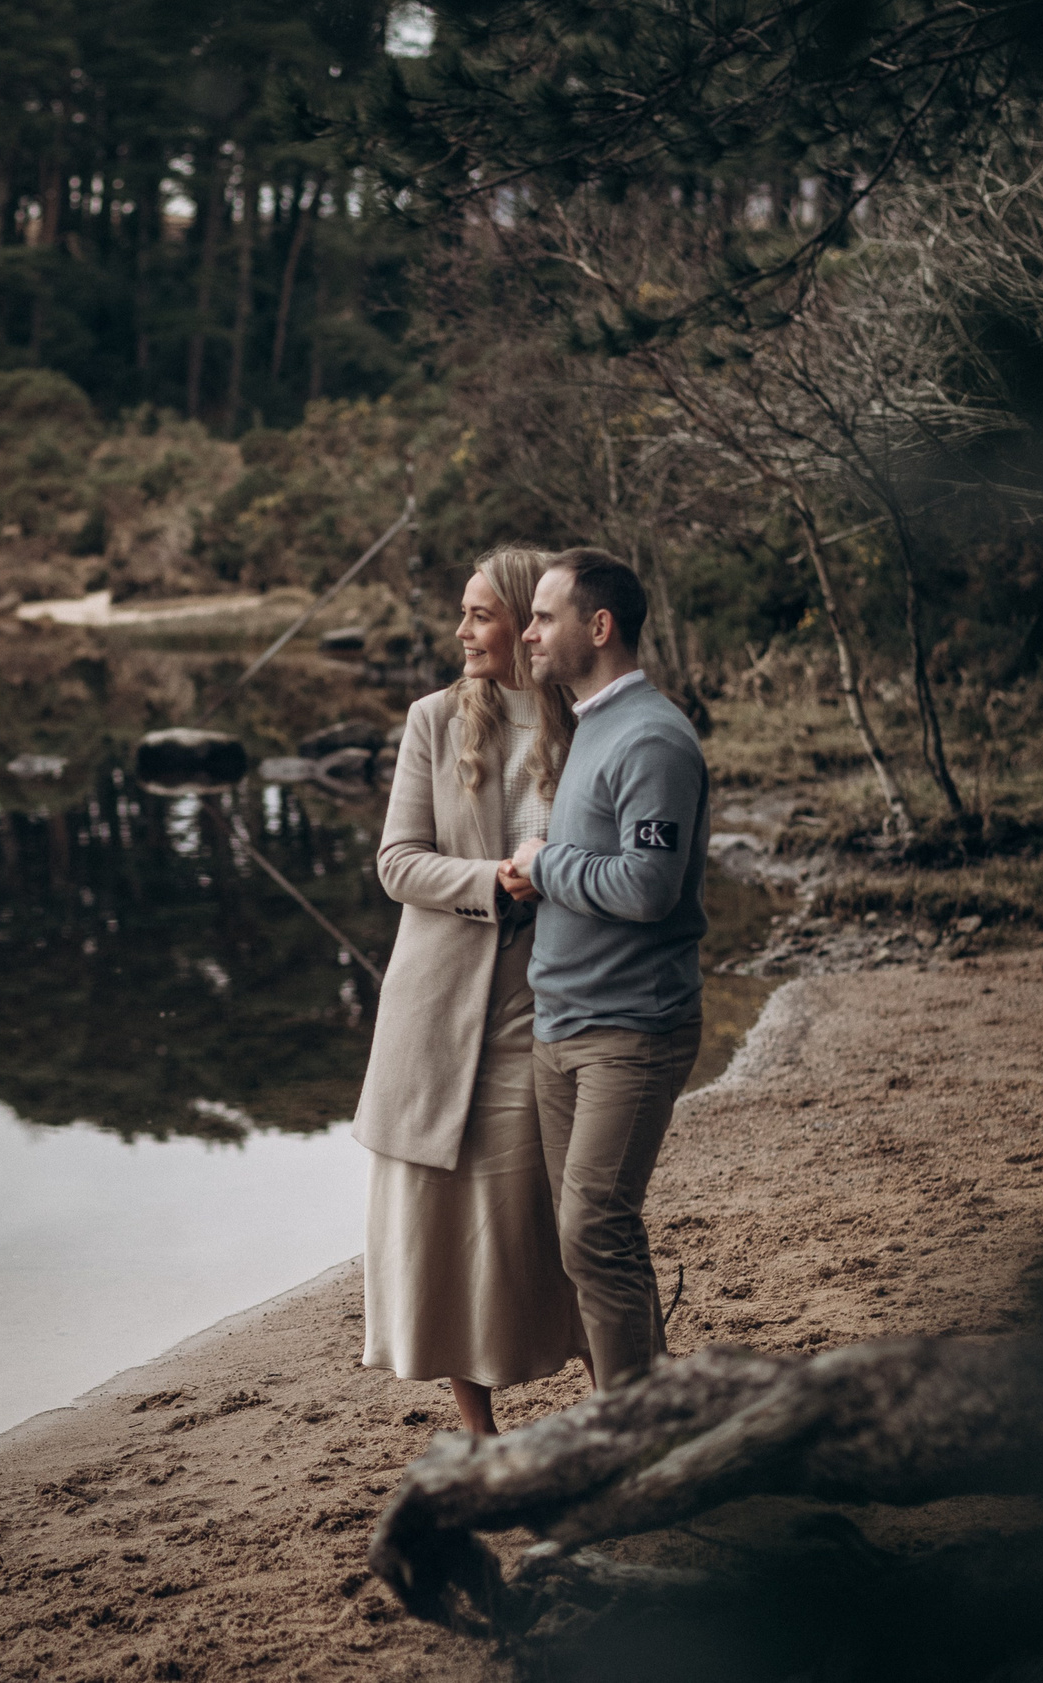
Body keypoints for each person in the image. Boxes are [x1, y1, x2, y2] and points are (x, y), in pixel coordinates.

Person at [352, 546, 583, 1437]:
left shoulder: (587, 724)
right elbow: (397, 861)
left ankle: (624, 1412)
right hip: (443, 1008)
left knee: (565, 1216)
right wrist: (492, 879)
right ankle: (484, 1440)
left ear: (530, 622)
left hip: (560, 998)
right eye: (463, 612)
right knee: (444, 1222)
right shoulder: (434, 721)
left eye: (481, 614)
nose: (462, 631)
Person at [506, 547, 709, 1393]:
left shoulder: (654, 737)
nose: (528, 631)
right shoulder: (591, 722)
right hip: (563, 1025)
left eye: (544, 616)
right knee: (587, 1236)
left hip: (632, 1030)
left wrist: (546, 863)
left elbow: (649, 886)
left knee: (595, 1230)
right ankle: (650, 1421)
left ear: (600, 627)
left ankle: (636, 1444)